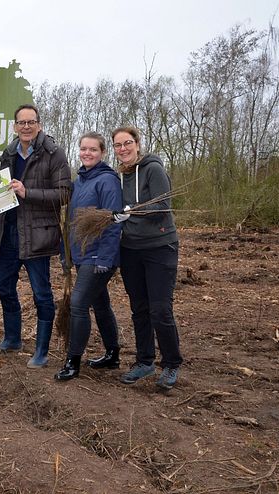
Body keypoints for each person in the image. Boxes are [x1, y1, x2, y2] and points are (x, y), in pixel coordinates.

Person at [0, 104, 71, 368]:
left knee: (41, 294)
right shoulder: (10, 153)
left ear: (39, 124)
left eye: (31, 122)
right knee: (4, 288)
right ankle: (12, 339)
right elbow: (0, 195)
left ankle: (41, 351)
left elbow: (64, 194)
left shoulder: (54, 153)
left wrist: (28, 192)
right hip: (8, 234)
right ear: (14, 126)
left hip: (37, 237)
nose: (26, 127)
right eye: (21, 122)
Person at [111, 126, 182, 390]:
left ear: (138, 144)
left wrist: (133, 211)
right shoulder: (120, 176)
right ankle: (144, 361)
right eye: (118, 146)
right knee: (139, 308)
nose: (123, 149)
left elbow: (165, 204)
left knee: (160, 309)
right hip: (130, 249)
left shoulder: (153, 169)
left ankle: (171, 364)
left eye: (127, 143)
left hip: (160, 247)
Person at [54, 132, 122, 381]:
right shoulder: (80, 181)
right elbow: (70, 223)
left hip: (98, 257)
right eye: (83, 149)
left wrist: (105, 258)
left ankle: (73, 361)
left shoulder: (107, 181)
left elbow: (113, 222)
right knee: (101, 304)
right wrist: (66, 253)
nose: (87, 153)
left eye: (92, 149)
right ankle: (113, 354)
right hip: (82, 255)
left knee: (78, 305)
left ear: (102, 152)